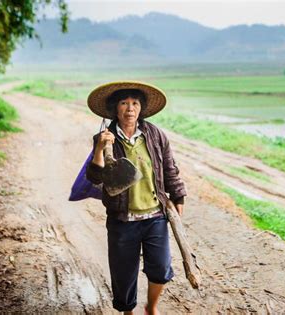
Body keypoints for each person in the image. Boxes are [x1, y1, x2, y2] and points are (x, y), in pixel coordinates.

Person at [85, 81, 186, 315]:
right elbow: (95, 177)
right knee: (124, 274)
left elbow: (169, 167)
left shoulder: (155, 135)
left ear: (141, 108)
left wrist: (178, 195)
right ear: (115, 108)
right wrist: (100, 149)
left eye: (135, 103)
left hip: (154, 216)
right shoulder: (105, 138)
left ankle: (151, 307)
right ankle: (128, 312)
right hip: (122, 219)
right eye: (124, 103)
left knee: (161, 268)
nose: (130, 109)